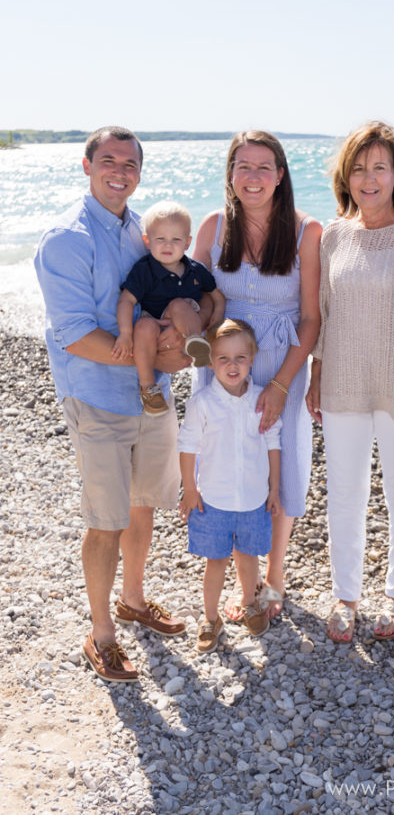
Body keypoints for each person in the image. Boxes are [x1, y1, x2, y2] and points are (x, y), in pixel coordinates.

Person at [34, 126, 194, 683]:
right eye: (108, 160)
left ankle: (133, 600)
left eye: (130, 163)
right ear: (86, 166)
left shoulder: (140, 232)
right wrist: (157, 361)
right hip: (97, 398)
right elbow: (75, 335)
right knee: (105, 521)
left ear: (140, 172)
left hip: (149, 399)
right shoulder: (66, 239)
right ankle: (101, 633)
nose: (119, 171)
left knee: (144, 504)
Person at [192, 130, 321, 618]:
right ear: (230, 173)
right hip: (221, 368)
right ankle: (233, 574)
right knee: (226, 463)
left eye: (264, 167)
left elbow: (311, 318)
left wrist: (283, 385)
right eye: (243, 166)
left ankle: (274, 578)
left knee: (281, 465)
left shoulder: (307, 232)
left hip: (280, 365)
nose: (253, 177)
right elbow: (194, 296)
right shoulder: (212, 226)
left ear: (281, 175)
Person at [305, 121, 394, 643]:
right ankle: (345, 595)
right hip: (342, 381)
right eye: (359, 168)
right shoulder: (333, 236)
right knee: (345, 492)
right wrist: (315, 372)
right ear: (346, 177)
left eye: (380, 166)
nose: (369, 178)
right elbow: (323, 314)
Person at [178, 319, 283, 652]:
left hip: (253, 499)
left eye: (240, 357)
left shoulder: (261, 400)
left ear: (252, 359)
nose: (232, 365)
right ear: (211, 363)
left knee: (249, 556)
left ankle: (250, 602)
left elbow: (273, 445)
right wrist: (190, 489)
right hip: (213, 501)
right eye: (223, 358)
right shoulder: (202, 403)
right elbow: (187, 447)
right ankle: (210, 619)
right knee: (216, 562)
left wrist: (274, 490)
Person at [113, 201, 226, 416]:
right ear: (147, 241)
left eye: (176, 239)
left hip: (187, 319)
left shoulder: (195, 270)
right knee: (144, 326)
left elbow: (217, 297)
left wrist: (217, 319)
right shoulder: (145, 270)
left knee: (178, 304)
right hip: (155, 322)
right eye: (160, 239)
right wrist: (125, 334)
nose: (168, 245)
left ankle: (198, 346)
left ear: (187, 243)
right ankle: (149, 387)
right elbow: (126, 301)